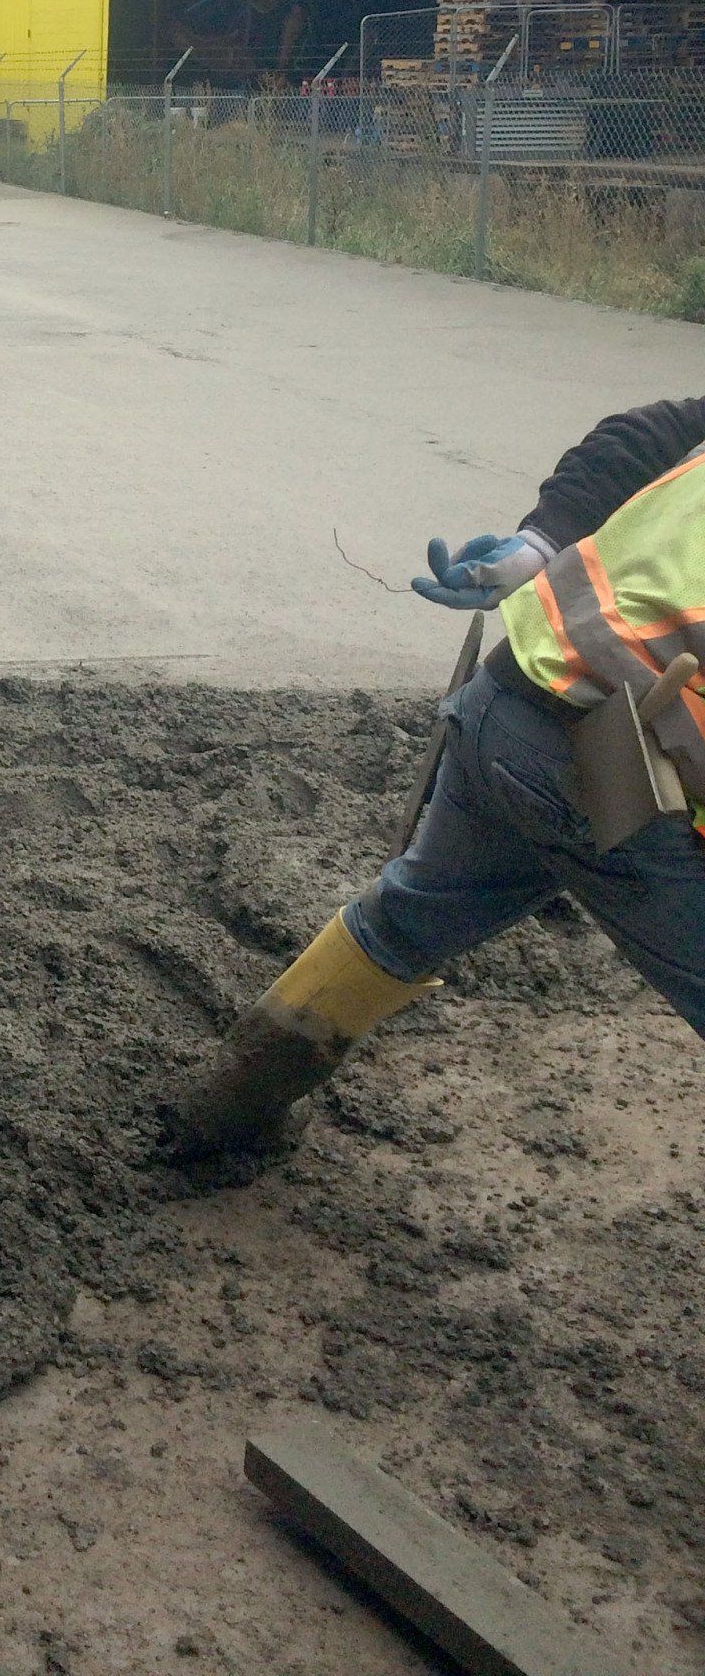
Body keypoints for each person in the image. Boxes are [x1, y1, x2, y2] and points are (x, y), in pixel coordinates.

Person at [165, 397, 705, 1162]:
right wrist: (541, 540)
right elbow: (662, 434)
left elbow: (661, 430)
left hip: (510, 702)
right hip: (625, 770)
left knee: (404, 922)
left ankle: (217, 1112)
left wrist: (538, 550)